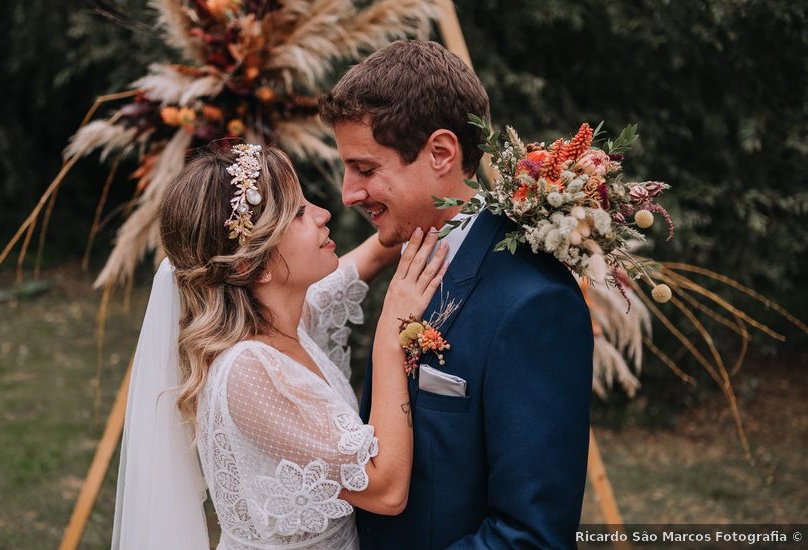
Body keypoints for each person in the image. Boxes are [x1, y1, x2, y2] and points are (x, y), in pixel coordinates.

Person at [319, 39, 594, 549]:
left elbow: (529, 537)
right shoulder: (416, 252)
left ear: (441, 153)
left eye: (365, 168)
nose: (347, 193)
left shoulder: (532, 302)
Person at [112, 142, 449, 549]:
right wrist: (390, 340)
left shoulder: (288, 319)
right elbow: (386, 490)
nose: (324, 214)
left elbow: (378, 251)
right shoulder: (248, 372)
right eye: (300, 213)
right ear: (248, 265)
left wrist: (439, 197)